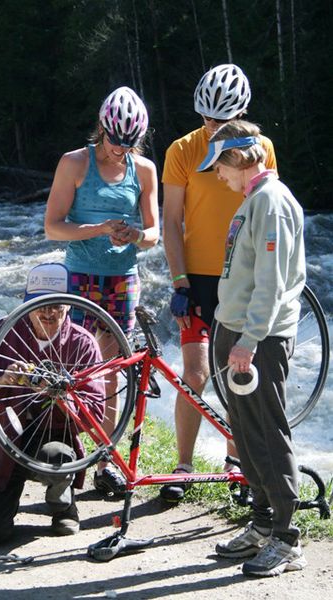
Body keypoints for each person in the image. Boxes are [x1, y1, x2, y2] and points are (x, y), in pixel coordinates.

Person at [160, 64, 277, 502]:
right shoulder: (183, 150)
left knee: (238, 374)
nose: (212, 128)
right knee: (195, 371)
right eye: (206, 119)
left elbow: (269, 212)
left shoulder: (260, 148)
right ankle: (183, 463)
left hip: (242, 278)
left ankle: (237, 464)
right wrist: (179, 279)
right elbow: (171, 221)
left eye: (221, 121)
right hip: (198, 278)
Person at [197, 120, 306, 576]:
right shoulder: (253, 200)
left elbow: (273, 282)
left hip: (257, 340)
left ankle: (286, 537)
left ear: (238, 158)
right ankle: (261, 522)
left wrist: (249, 339)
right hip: (236, 331)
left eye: (219, 166)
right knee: (244, 431)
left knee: (267, 429)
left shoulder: (272, 202)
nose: (218, 176)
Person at [44, 86, 159, 496]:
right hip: (80, 277)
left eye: (128, 145)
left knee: (112, 373)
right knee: (75, 373)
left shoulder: (142, 170)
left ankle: (106, 459)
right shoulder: (74, 163)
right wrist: (98, 229)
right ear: (102, 130)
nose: (118, 152)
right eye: (114, 142)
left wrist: (135, 234)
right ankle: (68, 456)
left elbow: (154, 234)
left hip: (122, 279)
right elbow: (52, 226)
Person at [0, 263, 105, 545]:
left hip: (55, 440)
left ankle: (64, 503)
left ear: (69, 305)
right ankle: (5, 501)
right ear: (26, 303)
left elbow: (96, 412)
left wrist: (62, 395)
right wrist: (2, 379)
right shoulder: (3, 332)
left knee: (59, 456)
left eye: (56, 306)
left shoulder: (83, 343)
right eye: (40, 305)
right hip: (4, 440)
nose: (48, 313)